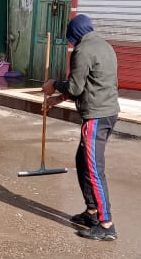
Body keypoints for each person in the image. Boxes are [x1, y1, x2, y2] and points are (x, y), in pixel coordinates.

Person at [42, 14, 119, 241]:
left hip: (97, 116)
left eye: (70, 39)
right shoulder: (105, 46)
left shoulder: (83, 50)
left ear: (75, 35)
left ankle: (106, 225)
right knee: (82, 161)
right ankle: (92, 212)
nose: (71, 44)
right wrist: (57, 100)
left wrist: (53, 85)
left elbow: (75, 87)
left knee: (93, 169)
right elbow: (89, 83)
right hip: (107, 112)